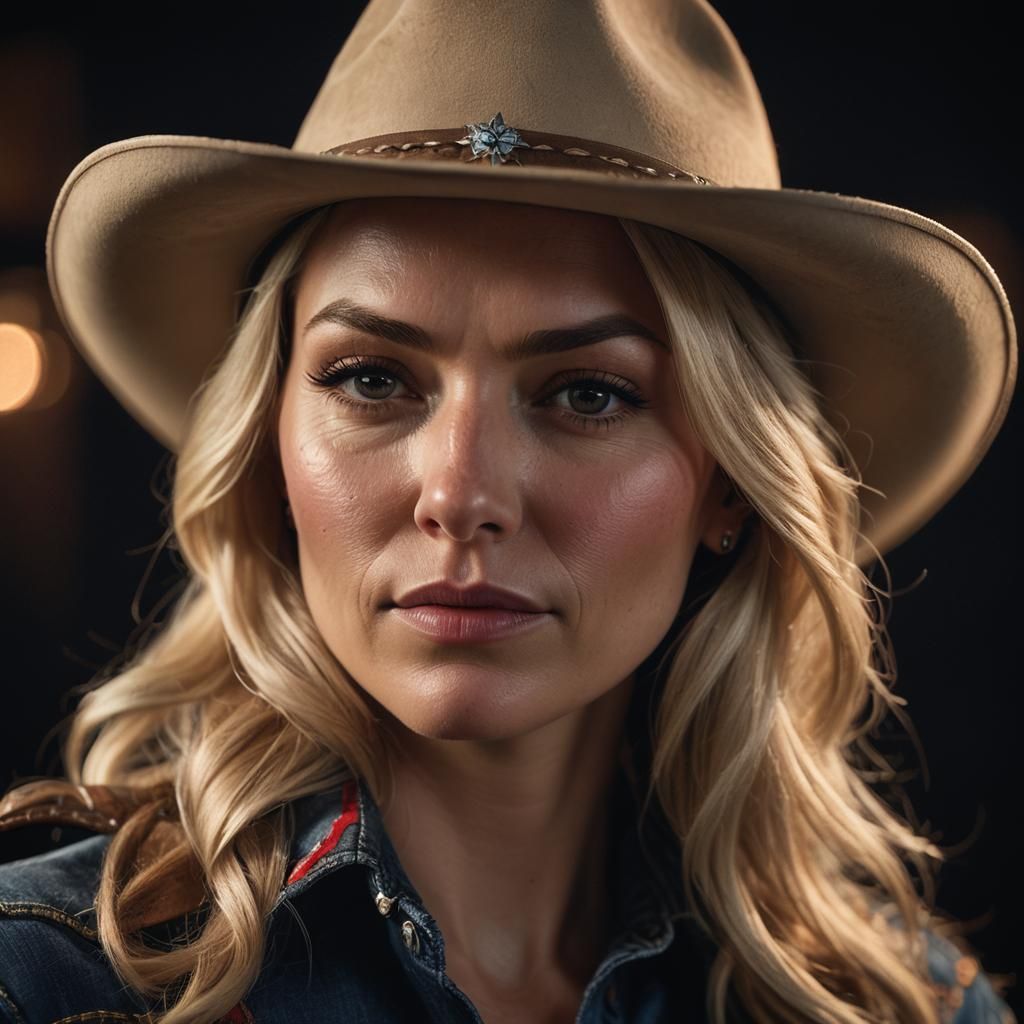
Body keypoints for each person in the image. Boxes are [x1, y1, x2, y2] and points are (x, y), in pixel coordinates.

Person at [0, 1, 1017, 1022]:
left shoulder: (901, 1006)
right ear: (267, 447)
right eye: (369, 378)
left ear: (729, 486)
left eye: (586, 393)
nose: (458, 496)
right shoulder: (45, 983)